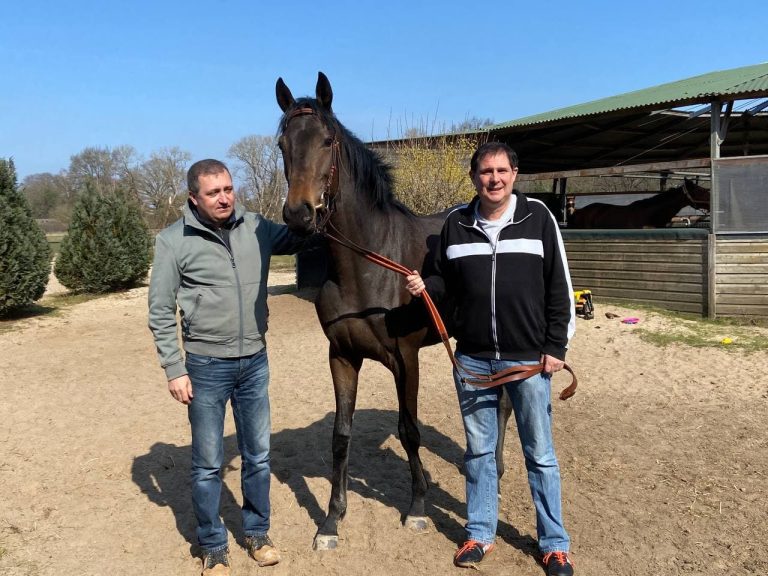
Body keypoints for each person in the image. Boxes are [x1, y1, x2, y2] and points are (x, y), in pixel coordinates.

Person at [405, 142, 576, 575]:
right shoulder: (456, 224)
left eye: (501, 170)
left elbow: (560, 286)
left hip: (528, 361)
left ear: (515, 173)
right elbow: (446, 281)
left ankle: (554, 544)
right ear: (474, 177)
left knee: (540, 454)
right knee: (479, 453)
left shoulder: (538, 218)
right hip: (475, 360)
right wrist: (426, 285)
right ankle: (480, 534)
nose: (493, 179)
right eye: (485, 171)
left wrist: (556, 347)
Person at [148, 159, 310, 575]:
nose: (224, 197)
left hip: (254, 361)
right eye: (213, 192)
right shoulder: (173, 241)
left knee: (258, 456)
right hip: (205, 365)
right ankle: (213, 544)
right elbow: (161, 310)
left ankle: (257, 534)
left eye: (228, 188)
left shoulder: (256, 226)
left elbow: (299, 237)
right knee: (206, 464)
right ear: (194, 198)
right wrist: (174, 368)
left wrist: (320, 206)